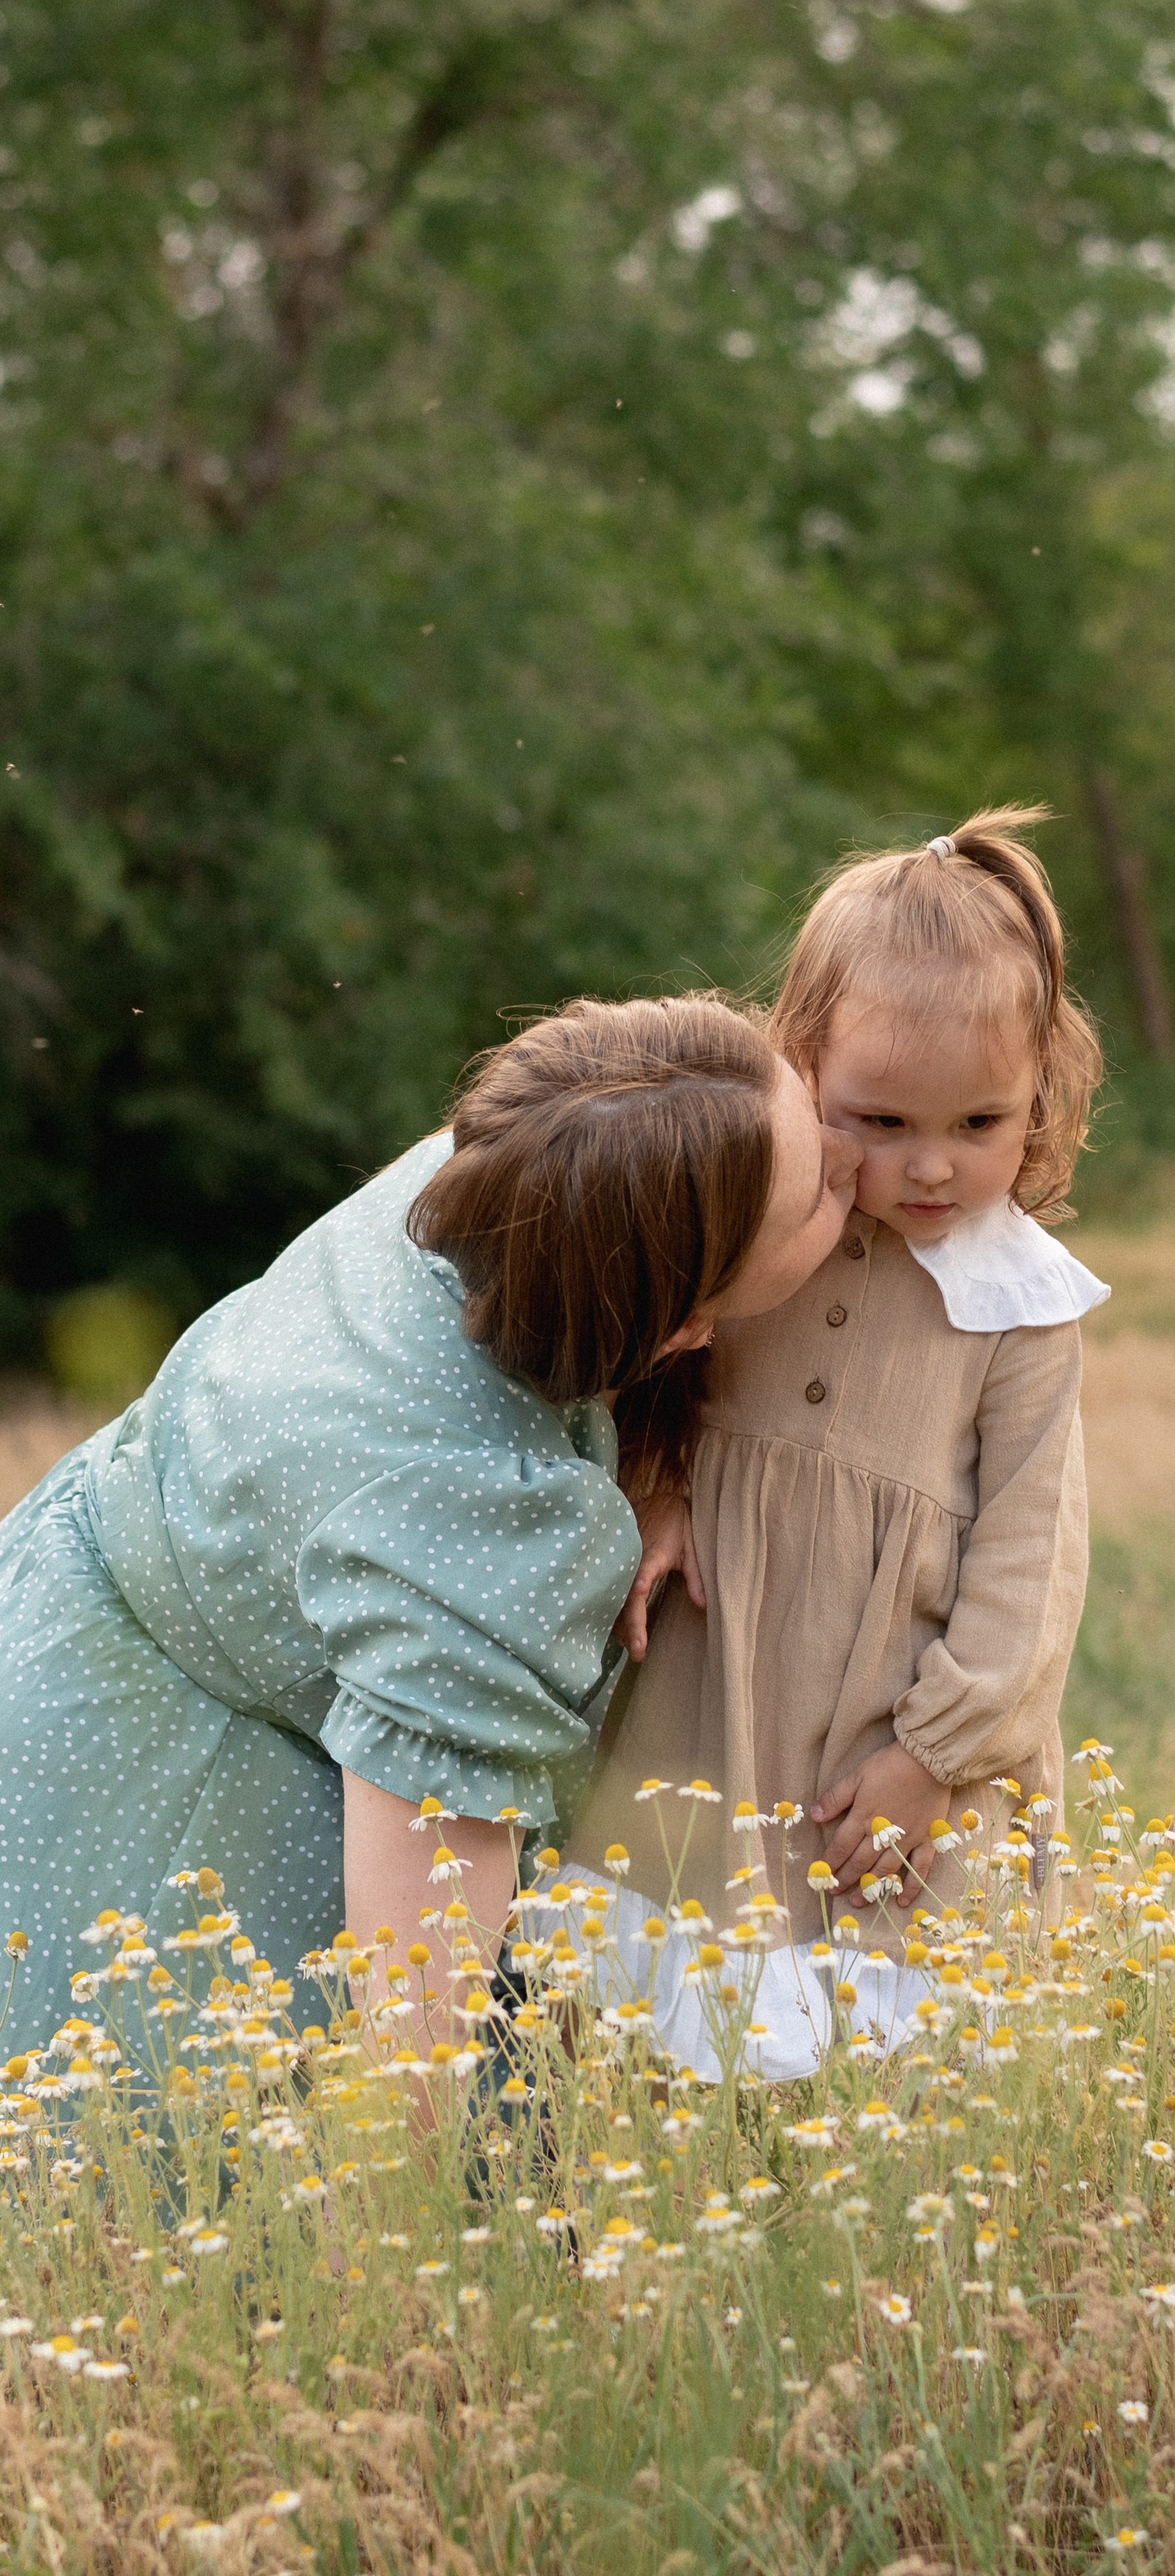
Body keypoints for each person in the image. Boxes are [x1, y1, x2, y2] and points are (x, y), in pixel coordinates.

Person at [0, 996, 859, 2060]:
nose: (848, 1158)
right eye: (818, 1188)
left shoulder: (501, 1173)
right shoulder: (484, 1530)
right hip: (163, 1807)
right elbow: (419, 1984)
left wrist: (658, 1457)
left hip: (54, 1612)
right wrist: (409, 2199)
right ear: (685, 1325)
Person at [544, 809, 1108, 2076]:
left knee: (872, 2044)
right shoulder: (764, 1221)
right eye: (881, 1119)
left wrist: (936, 1757)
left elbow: (1031, 1568)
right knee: (659, 2026)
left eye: (979, 1123)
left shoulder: (1024, 1305)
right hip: (710, 1679)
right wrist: (665, 1480)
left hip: (879, 1728)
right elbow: (656, 1365)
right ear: (800, 1065)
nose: (929, 1166)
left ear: (1041, 1093)